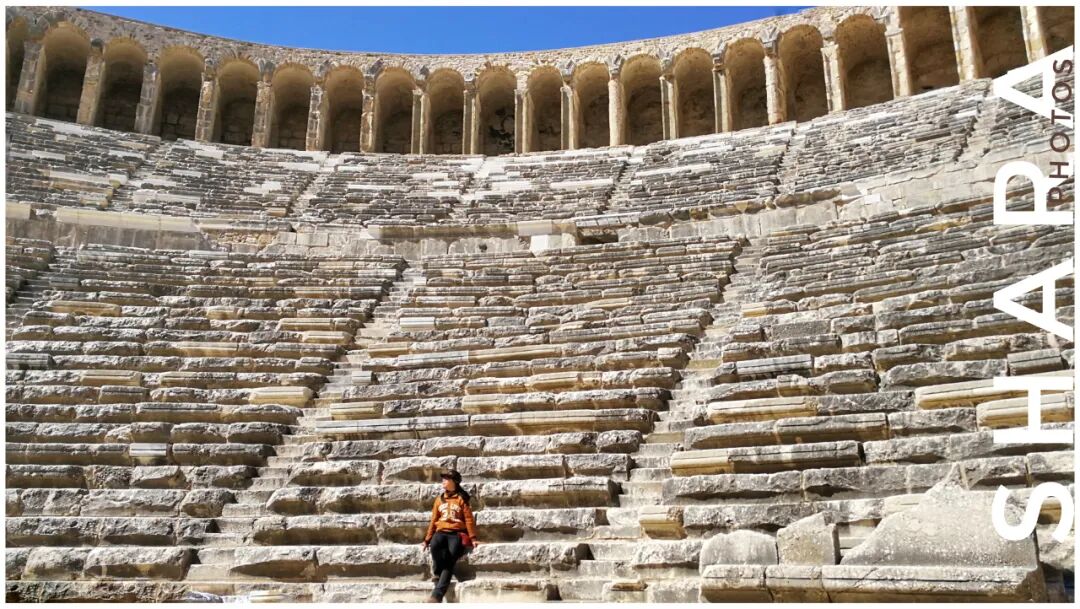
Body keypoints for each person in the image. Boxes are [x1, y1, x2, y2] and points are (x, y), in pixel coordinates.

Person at [421, 468, 480, 603]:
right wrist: (427, 539)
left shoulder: (462, 499)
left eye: (446, 479)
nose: (443, 481)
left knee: (450, 561)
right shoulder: (439, 500)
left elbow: (469, 519)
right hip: (441, 532)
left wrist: (473, 538)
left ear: (454, 481)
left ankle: (436, 596)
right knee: (435, 545)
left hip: (456, 534)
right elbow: (433, 520)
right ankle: (437, 572)